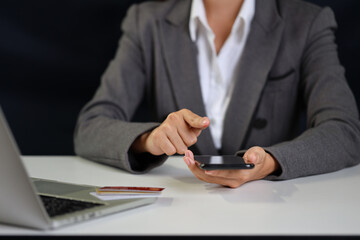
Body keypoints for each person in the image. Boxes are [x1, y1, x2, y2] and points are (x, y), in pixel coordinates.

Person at [74, 0, 360, 188]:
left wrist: (269, 163)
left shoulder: (306, 22)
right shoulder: (147, 22)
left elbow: (344, 130)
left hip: (271, 214)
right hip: (177, 214)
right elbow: (90, 127)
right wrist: (152, 139)